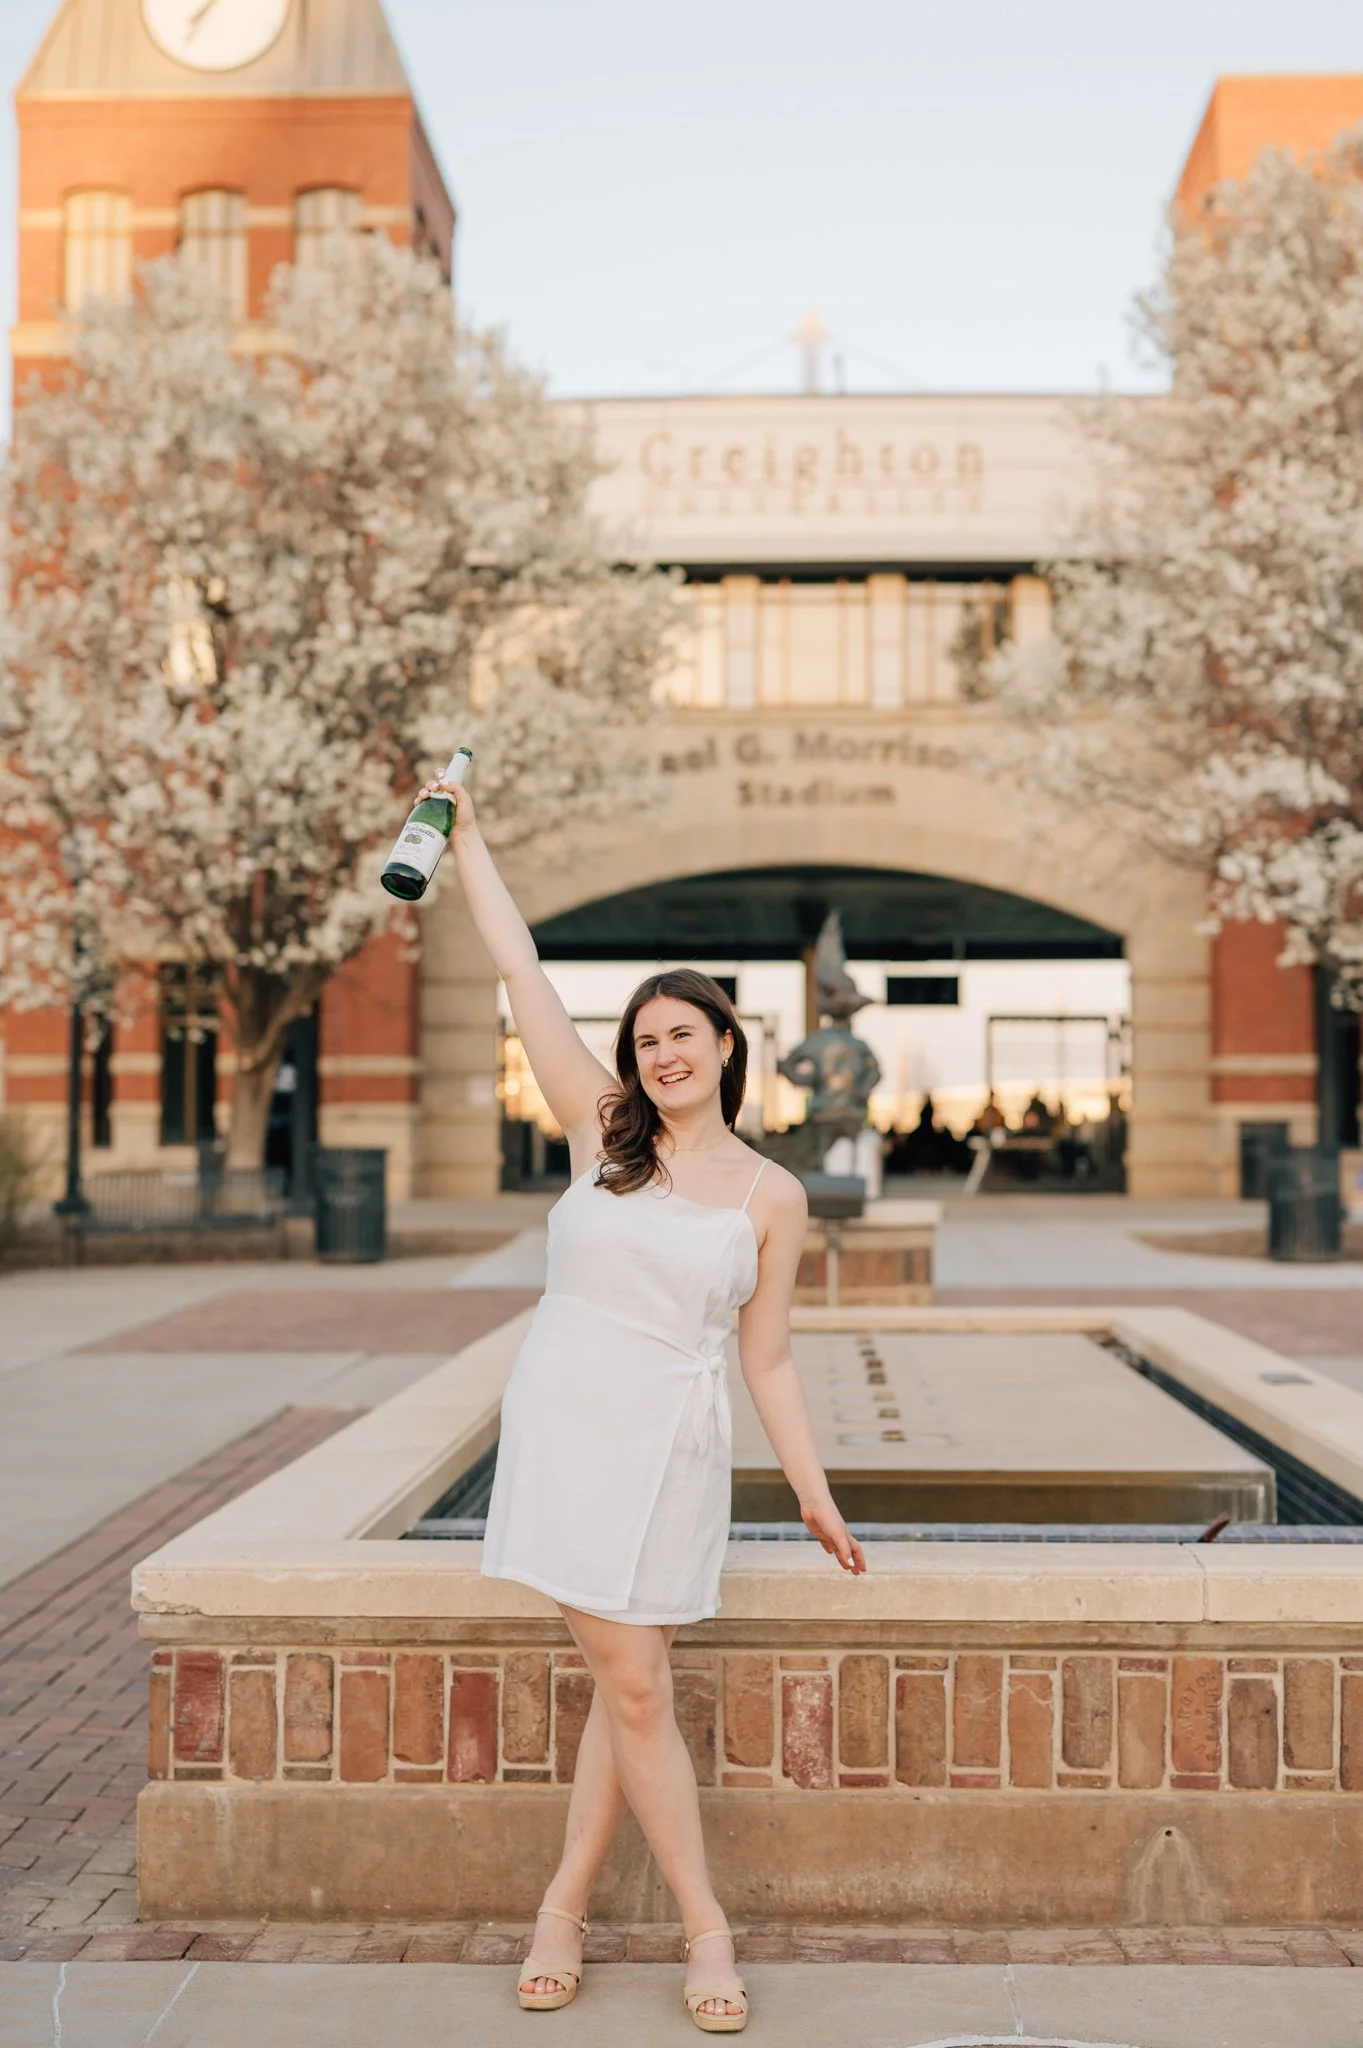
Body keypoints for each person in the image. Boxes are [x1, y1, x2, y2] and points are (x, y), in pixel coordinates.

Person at [420, 765, 866, 2034]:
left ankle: (563, 1902)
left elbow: (765, 1357)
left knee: (629, 1689)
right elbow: (522, 975)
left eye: (685, 1034)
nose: (662, 1053)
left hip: (673, 1447)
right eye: (646, 1038)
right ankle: (706, 1928)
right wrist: (469, 835)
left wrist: (816, 1494)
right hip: (568, 1428)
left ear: (727, 1043)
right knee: (632, 1684)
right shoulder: (598, 1127)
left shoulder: (770, 1194)